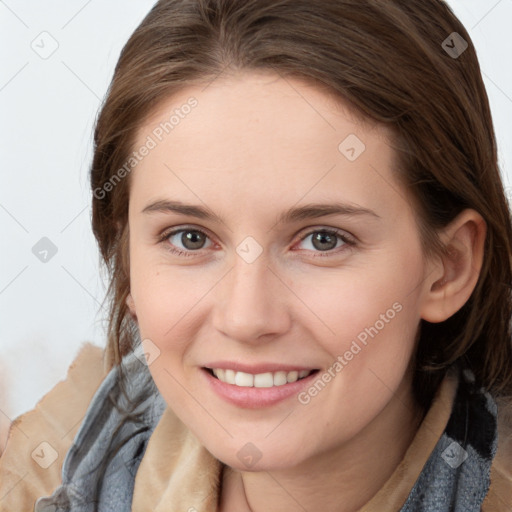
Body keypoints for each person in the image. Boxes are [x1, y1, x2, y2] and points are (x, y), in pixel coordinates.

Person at [1, 0, 511, 510]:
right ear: (127, 259)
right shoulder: (33, 475)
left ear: (448, 267)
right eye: (190, 238)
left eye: (322, 240)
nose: (246, 319)